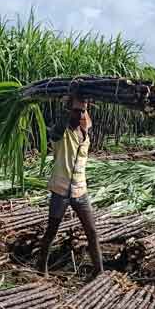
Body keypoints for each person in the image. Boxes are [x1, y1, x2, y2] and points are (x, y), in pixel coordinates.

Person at [37, 94, 103, 277]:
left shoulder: (85, 133)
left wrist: (82, 102)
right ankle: (41, 268)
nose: (78, 114)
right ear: (68, 111)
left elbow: (86, 119)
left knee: (92, 232)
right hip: (61, 191)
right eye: (75, 111)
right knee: (51, 231)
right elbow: (56, 130)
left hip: (80, 190)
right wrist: (69, 105)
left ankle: (99, 271)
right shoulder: (60, 134)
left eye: (81, 111)